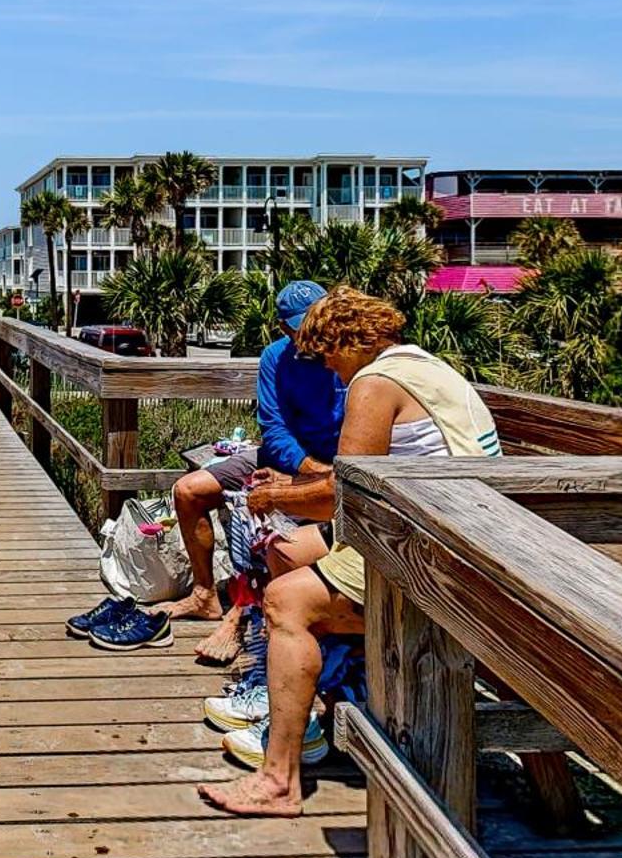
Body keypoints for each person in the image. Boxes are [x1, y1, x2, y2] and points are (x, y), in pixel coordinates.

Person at [198, 287, 501, 817]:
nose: (332, 375)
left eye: (329, 358)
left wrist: (273, 496)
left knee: (285, 602)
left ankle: (279, 780)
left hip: (439, 557)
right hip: (469, 534)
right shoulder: (424, 366)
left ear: (345, 342)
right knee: (288, 551)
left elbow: (346, 494)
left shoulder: (374, 383)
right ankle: (340, 690)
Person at [160, 280, 343, 663]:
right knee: (189, 490)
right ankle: (204, 593)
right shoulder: (275, 357)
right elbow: (273, 429)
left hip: (336, 467)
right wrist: (307, 468)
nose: (311, 332)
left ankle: (243, 613)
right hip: (289, 458)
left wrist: (317, 478)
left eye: (316, 320)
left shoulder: (345, 356)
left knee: (268, 514)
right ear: (284, 328)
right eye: (300, 325)